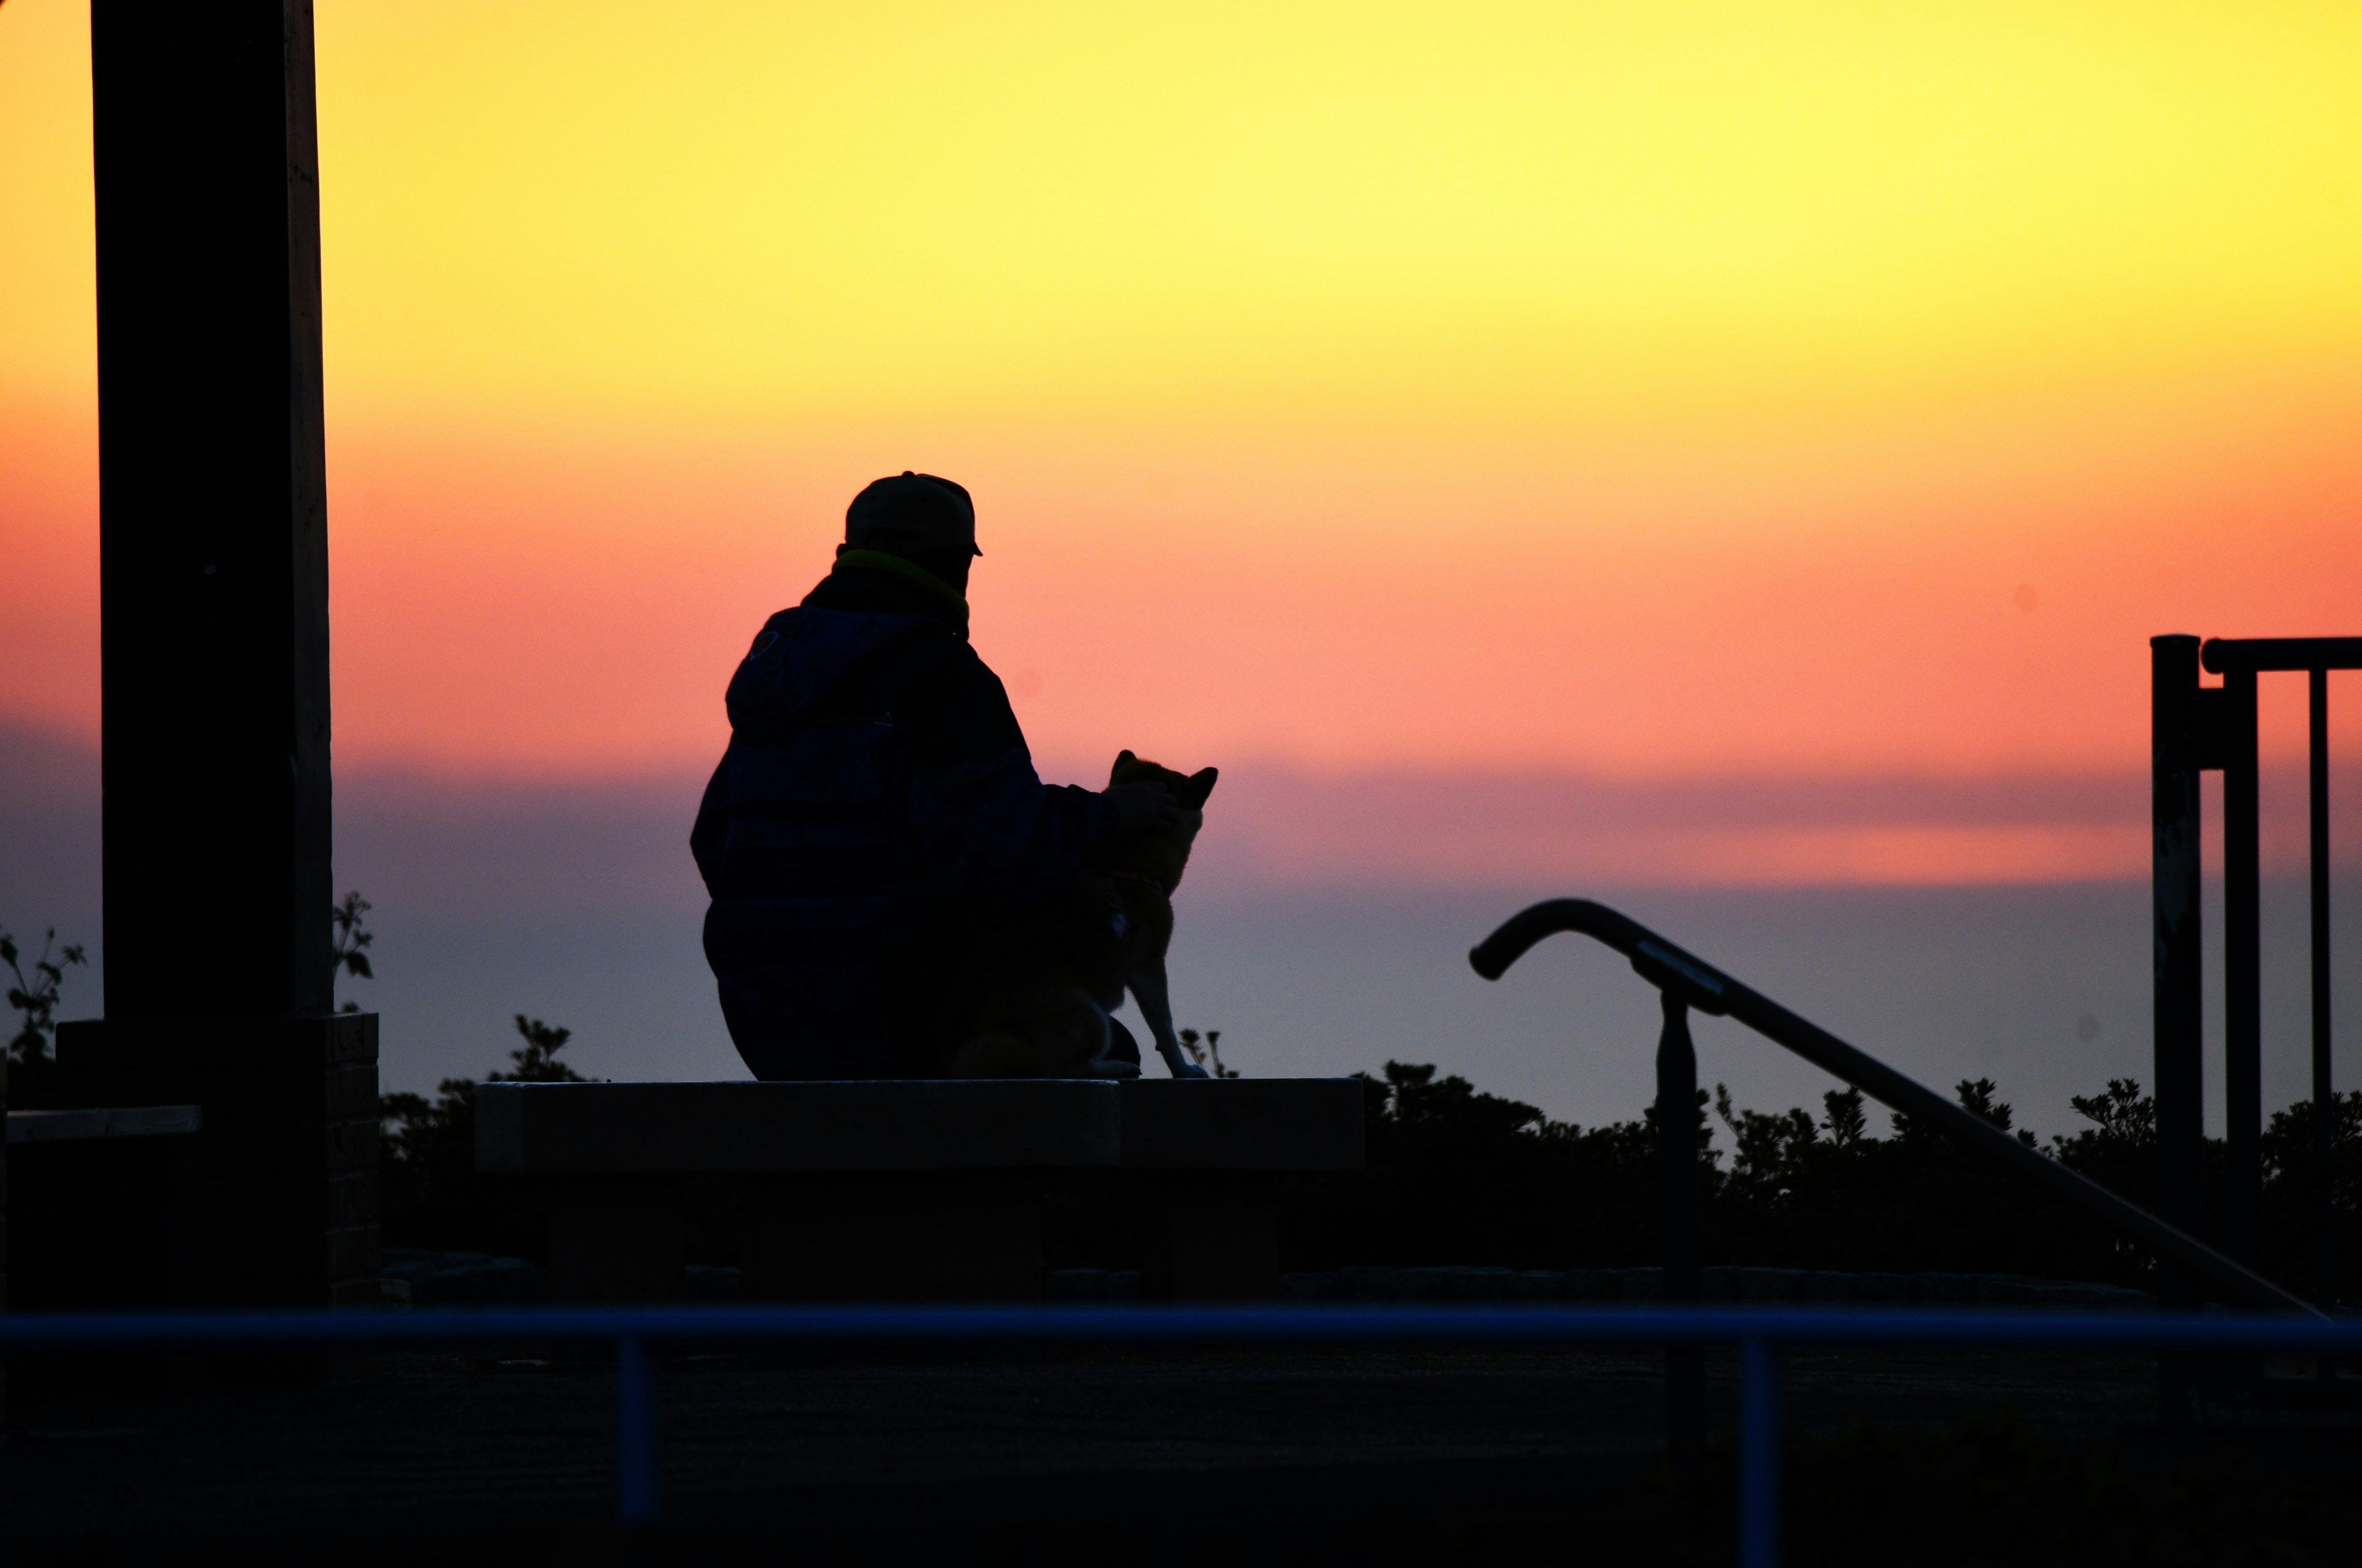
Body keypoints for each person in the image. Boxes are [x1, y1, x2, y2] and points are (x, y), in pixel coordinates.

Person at [690, 472, 1183, 1079]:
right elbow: (1013, 848)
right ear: (954, 566)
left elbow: (710, 842)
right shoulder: (943, 677)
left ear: (848, 556)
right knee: (1095, 1041)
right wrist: (1109, 814)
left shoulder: (776, 682)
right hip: (895, 1017)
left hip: (768, 1025)